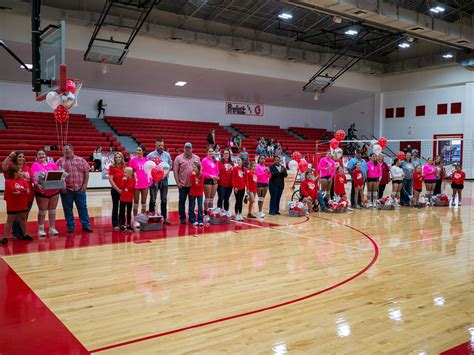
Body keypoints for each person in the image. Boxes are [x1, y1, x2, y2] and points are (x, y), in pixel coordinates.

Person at [56, 144, 92, 233]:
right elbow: (56, 175)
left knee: (83, 207)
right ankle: (70, 225)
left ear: (72, 149)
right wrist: (61, 187)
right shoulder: (59, 162)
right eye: (64, 150)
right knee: (67, 209)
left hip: (80, 188)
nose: (65, 151)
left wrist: (85, 185)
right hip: (66, 189)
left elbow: (86, 172)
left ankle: (86, 225)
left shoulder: (81, 160)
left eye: (67, 149)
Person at [2, 151, 34, 238]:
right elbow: (4, 167)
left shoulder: (27, 168)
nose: (22, 158)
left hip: (28, 197)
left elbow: (31, 180)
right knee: (14, 218)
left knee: (24, 217)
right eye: (19, 156)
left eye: (23, 156)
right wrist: (10, 156)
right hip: (14, 199)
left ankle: (23, 234)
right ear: (15, 158)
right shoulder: (11, 167)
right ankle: (16, 234)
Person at [31, 149, 61, 236]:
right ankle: (41, 229)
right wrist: (37, 184)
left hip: (54, 191)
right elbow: (33, 177)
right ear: (36, 156)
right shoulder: (35, 165)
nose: (41, 156)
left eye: (43, 154)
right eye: (39, 154)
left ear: (46, 155)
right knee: (42, 211)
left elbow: (58, 174)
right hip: (42, 192)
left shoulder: (52, 164)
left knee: (52, 210)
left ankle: (52, 228)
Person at [173, 142, 201, 224]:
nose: (188, 149)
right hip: (183, 185)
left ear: (192, 149)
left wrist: (198, 183)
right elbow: (175, 171)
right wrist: (178, 182)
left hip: (193, 185)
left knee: (192, 202)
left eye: (189, 148)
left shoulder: (197, 158)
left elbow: (200, 171)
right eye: (186, 148)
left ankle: (192, 217)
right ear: (184, 148)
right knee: (182, 201)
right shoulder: (178, 158)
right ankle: (182, 217)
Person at [147, 139, 173, 224]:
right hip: (154, 180)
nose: (161, 147)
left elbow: (170, 166)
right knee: (153, 199)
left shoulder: (167, 155)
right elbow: (147, 167)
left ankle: (164, 218)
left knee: (164, 199)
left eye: (162, 145)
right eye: (159, 145)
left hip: (164, 179)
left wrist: (165, 174)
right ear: (155, 145)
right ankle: (152, 217)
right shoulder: (150, 155)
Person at [128, 145, 151, 227]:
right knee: (136, 202)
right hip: (136, 183)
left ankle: (142, 218)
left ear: (143, 151)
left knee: (144, 202)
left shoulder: (147, 160)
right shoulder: (132, 160)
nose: (137, 151)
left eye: (139, 150)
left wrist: (150, 180)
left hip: (145, 183)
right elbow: (130, 172)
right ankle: (135, 220)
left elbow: (150, 171)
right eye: (137, 150)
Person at [108, 152, 126, 231]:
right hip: (115, 190)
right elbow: (110, 179)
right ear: (114, 158)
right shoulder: (112, 167)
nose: (118, 158)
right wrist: (117, 189)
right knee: (115, 207)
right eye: (116, 157)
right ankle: (115, 223)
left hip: (124, 190)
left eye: (120, 157)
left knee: (122, 207)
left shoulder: (125, 167)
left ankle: (122, 223)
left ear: (122, 158)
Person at [201, 147, 219, 219]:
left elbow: (217, 171)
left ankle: (210, 212)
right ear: (207, 152)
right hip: (207, 180)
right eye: (209, 151)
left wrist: (216, 176)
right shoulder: (204, 160)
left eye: (212, 151)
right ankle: (206, 214)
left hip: (214, 181)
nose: (211, 152)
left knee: (212, 198)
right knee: (207, 198)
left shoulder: (215, 160)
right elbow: (202, 172)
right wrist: (210, 176)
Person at [119, 167, 135, 232]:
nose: (124, 173)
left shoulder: (133, 179)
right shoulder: (123, 179)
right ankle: (122, 224)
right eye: (124, 172)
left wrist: (126, 187)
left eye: (125, 172)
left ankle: (128, 224)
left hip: (129, 199)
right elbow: (122, 186)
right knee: (122, 211)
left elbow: (130, 187)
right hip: (123, 198)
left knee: (129, 212)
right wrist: (125, 181)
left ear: (130, 173)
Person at [189, 162, 204, 226]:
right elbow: (193, 184)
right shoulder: (191, 175)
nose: (193, 168)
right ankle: (193, 220)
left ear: (198, 168)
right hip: (192, 192)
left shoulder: (202, 175)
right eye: (193, 167)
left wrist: (196, 183)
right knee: (192, 206)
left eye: (194, 167)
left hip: (200, 192)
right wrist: (193, 176)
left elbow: (200, 185)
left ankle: (200, 220)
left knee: (200, 206)